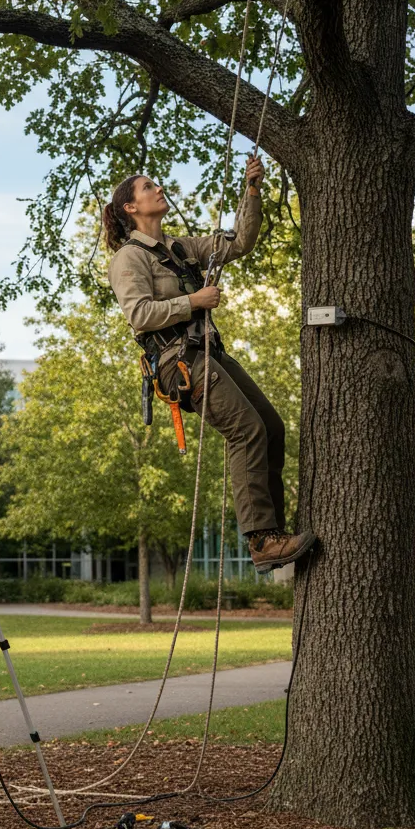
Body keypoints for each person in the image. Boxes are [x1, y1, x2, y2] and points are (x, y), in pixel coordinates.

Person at [104, 158, 315, 574]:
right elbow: (140, 315)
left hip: (206, 353)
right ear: (130, 208)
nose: (158, 189)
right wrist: (193, 302)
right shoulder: (130, 259)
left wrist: (251, 191)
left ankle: (275, 530)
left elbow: (239, 243)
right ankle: (261, 539)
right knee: (246, 429)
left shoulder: (180, 249)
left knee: (271, 426)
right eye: (148, 187)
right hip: (176, 361)